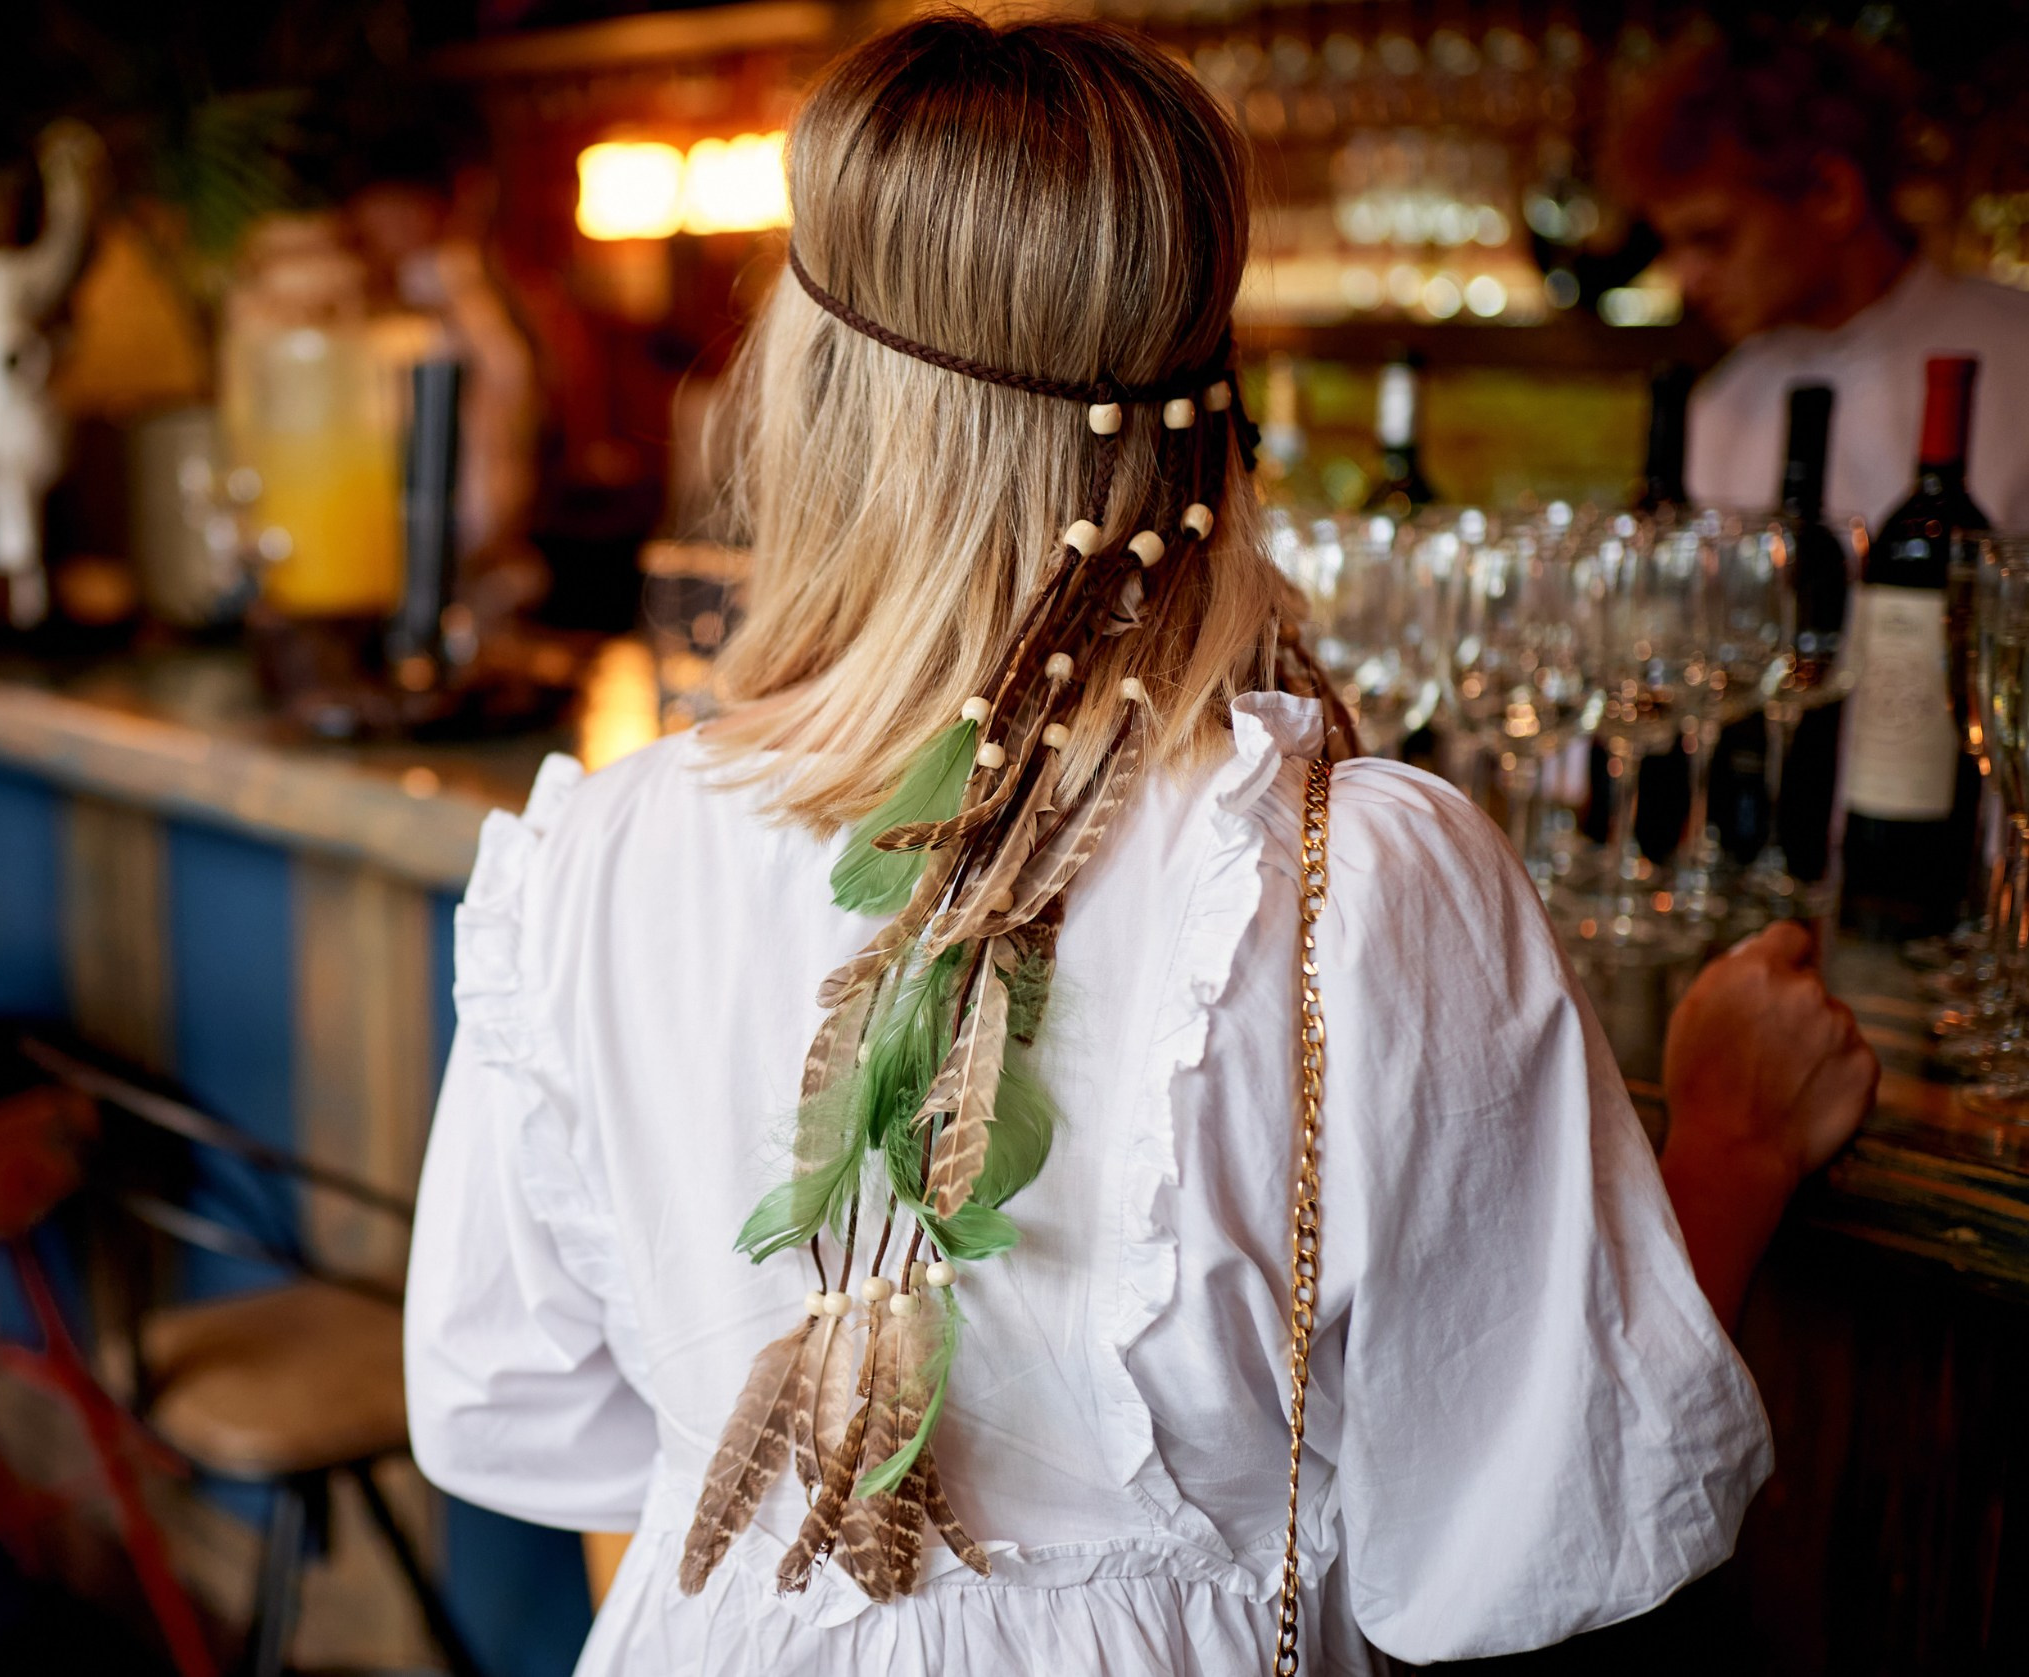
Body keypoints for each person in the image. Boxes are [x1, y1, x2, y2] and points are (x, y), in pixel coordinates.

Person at [405, 17, 1878, 1674]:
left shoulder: (593, 851)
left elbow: (506, 1406)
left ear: (803, 405)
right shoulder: (1359, 887)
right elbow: (1507, 1537)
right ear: (1207, 427)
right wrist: (1733, 1157)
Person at [1607, 22, 2029, 526]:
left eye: (1712, 239)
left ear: (1832, 195)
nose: (1686, 278)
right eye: (1672, 245)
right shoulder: (1722, 408)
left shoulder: (2016, 359)